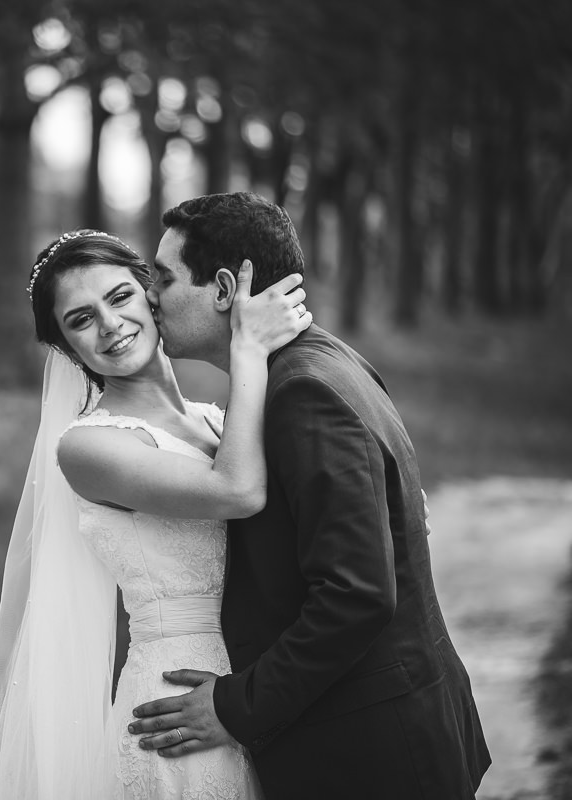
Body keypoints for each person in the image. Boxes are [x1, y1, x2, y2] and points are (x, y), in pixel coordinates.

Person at [126, 192, 491, 799]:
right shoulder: (319, 361)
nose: (150, 297)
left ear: (223, 289)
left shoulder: (303, 392)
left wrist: (235, 705)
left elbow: (357, 595)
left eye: (163, 277)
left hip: (375, 751)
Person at [0, 227, 311, 799]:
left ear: (152, 293)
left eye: (120, 297)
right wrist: (248, 348)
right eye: (80, 320)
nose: (109, 325)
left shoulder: (215, 422)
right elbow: (237, 492)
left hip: (261, 685)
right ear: (65, 347)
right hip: (176, 708)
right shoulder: (89, 448)